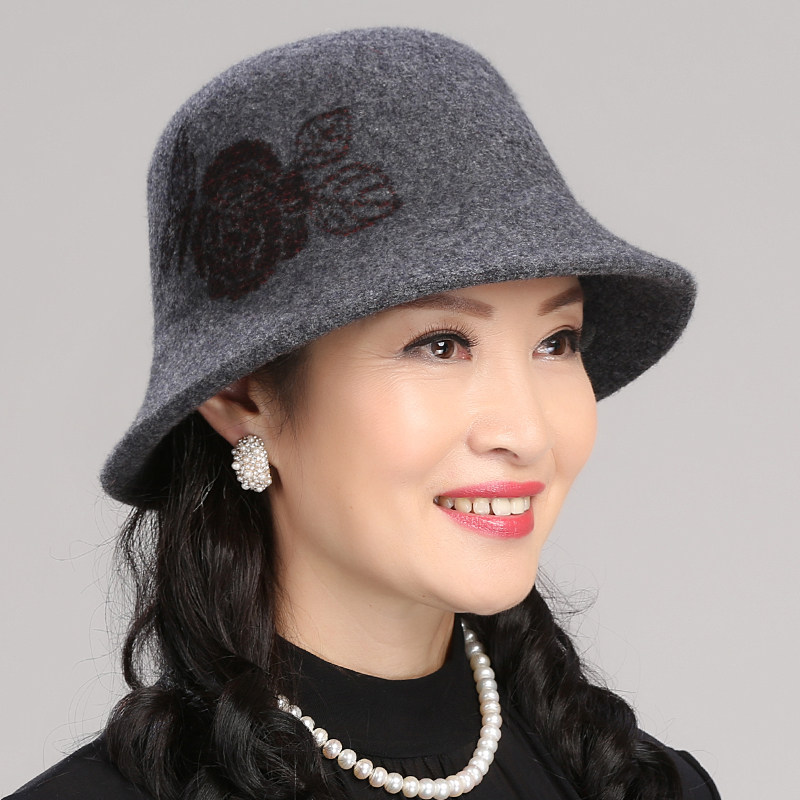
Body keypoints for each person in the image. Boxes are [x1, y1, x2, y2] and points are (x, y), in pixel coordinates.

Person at [6, 27, 720, 800]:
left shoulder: (645, 786)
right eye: (441, 345)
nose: (526, 432)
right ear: (243, 396)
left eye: (557, 341)